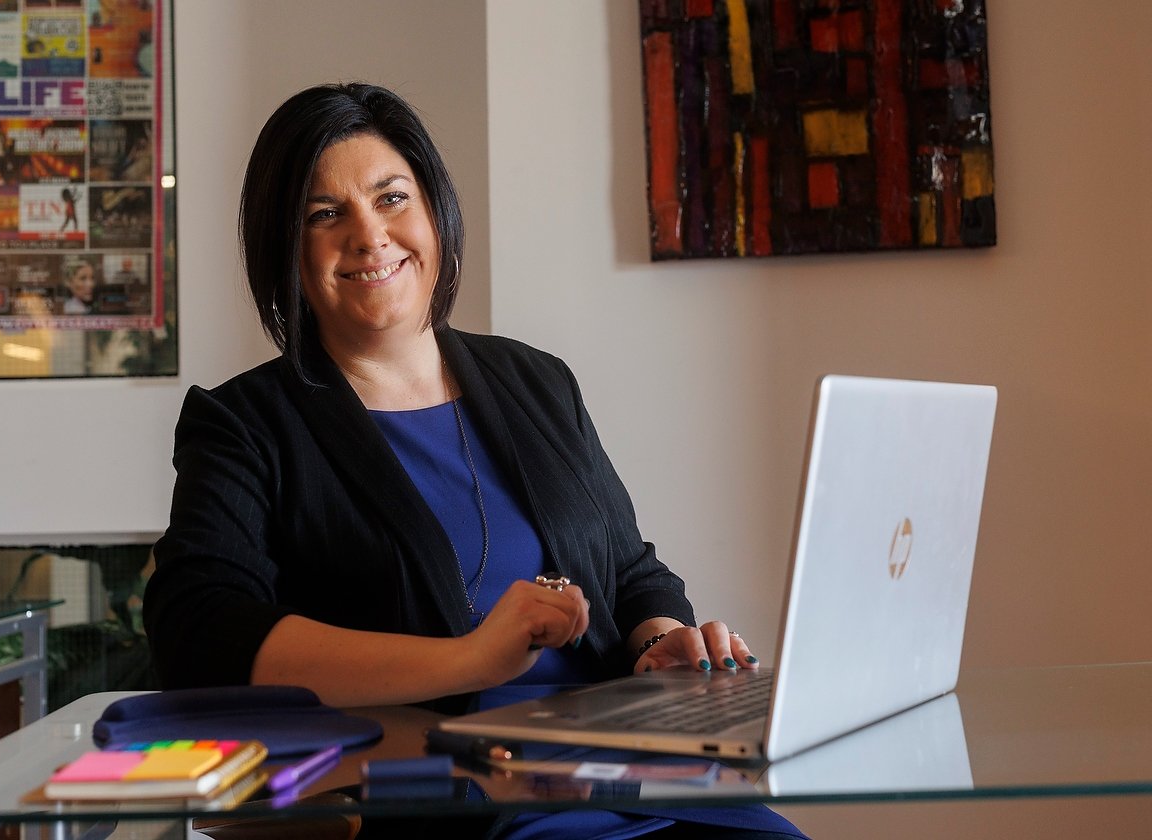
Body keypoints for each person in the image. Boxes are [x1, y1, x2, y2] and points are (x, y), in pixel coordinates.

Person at [143, 83, 806, 840]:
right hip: (460, 799)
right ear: (285, 251)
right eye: (324, 215)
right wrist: (467, 662)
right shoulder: (246, 423)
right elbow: (198, 628)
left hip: (636, 772)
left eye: (391, 198)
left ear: (435, 214)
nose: (368, 235)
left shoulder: (537, 381)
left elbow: (630, 572)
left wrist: (662, 644)